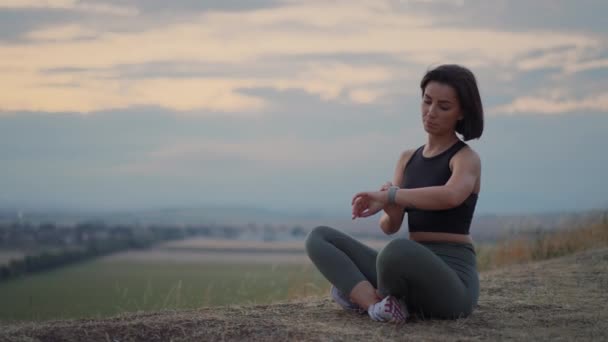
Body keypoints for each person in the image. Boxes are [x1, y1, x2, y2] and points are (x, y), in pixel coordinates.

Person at [305, 64, 484, 323]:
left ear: (461, 112)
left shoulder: (466, 158)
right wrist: (390, 206)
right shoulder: (407, 158)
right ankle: (375, 305)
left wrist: (391, 196)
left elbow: (451, 195)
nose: (431, 112)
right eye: (427, 101)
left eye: (443, 107)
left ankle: (362, 293)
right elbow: (391, 226)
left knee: (396, 251)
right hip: (407, 267)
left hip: (453, 281)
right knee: (319, 237)